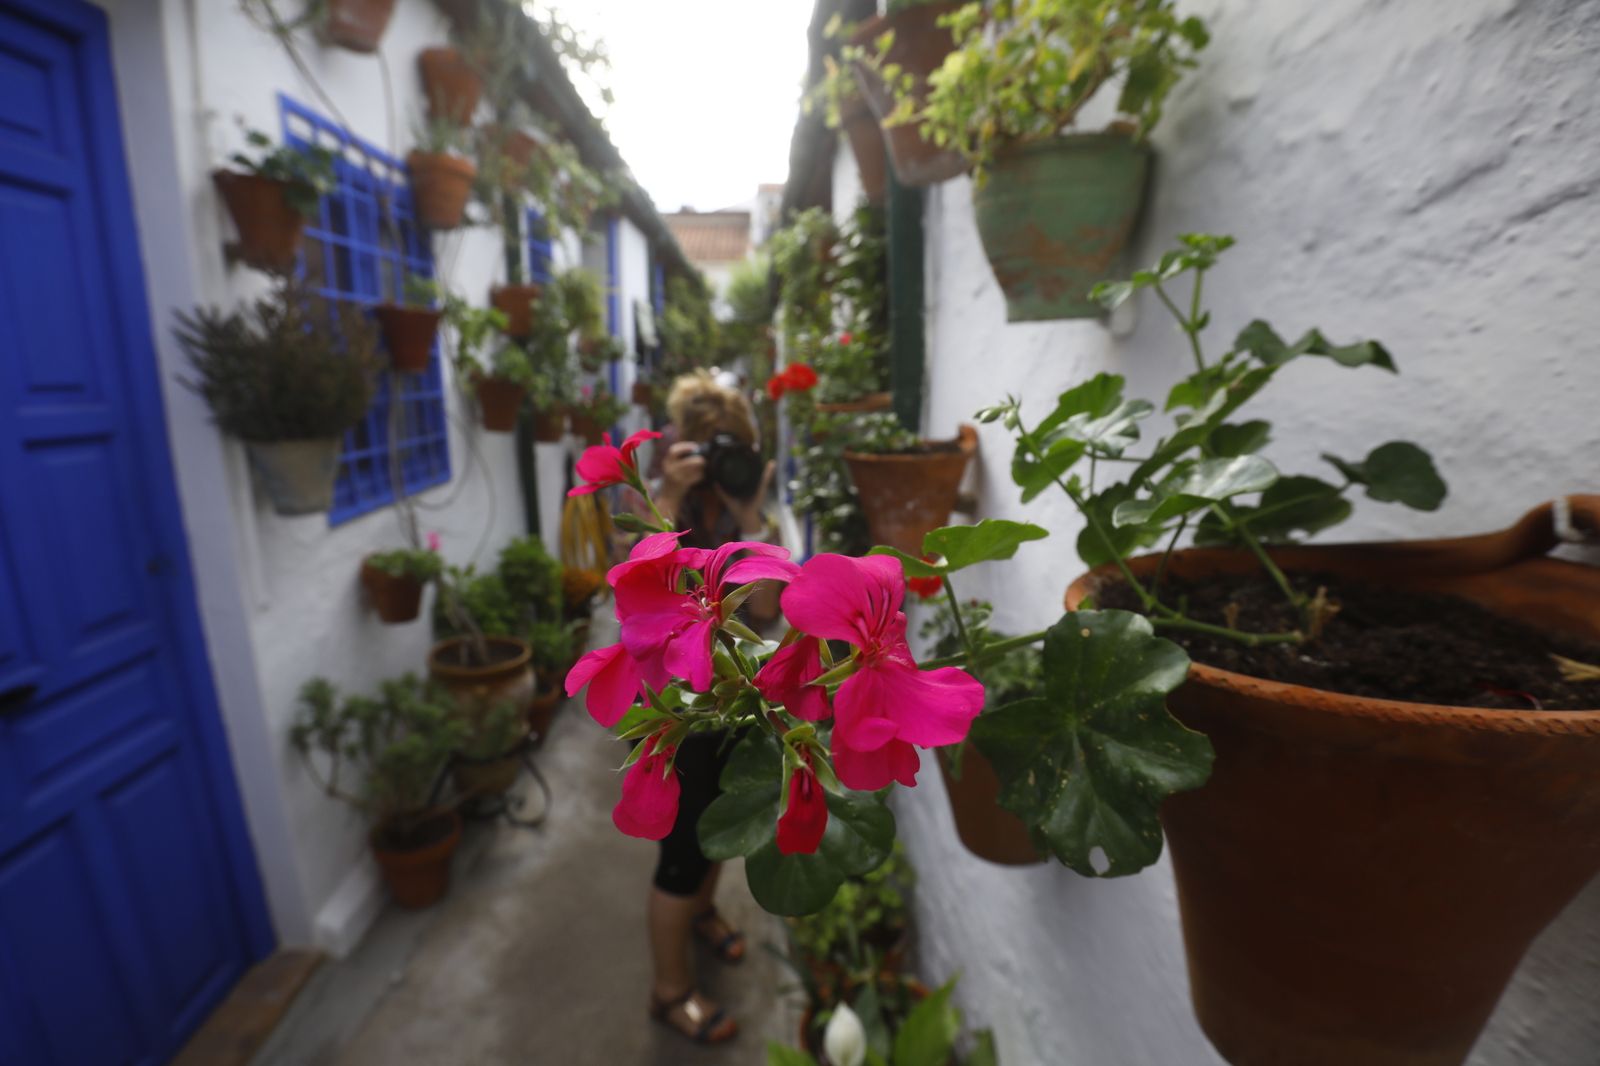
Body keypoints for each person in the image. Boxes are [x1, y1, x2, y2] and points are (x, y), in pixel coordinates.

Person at [637, 371, 775, 1046]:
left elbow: (772, 609)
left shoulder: (734, 510)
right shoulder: (668, 505)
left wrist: (751, 515)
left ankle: (703, 914)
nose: (720, 460)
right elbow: (630, 589)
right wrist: (667, 493)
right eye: (706, 448)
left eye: (732, 448)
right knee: (681, 848)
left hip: (732, 700)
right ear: (677, 449)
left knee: (719, 822)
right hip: (680, 702)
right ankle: (670, 991)